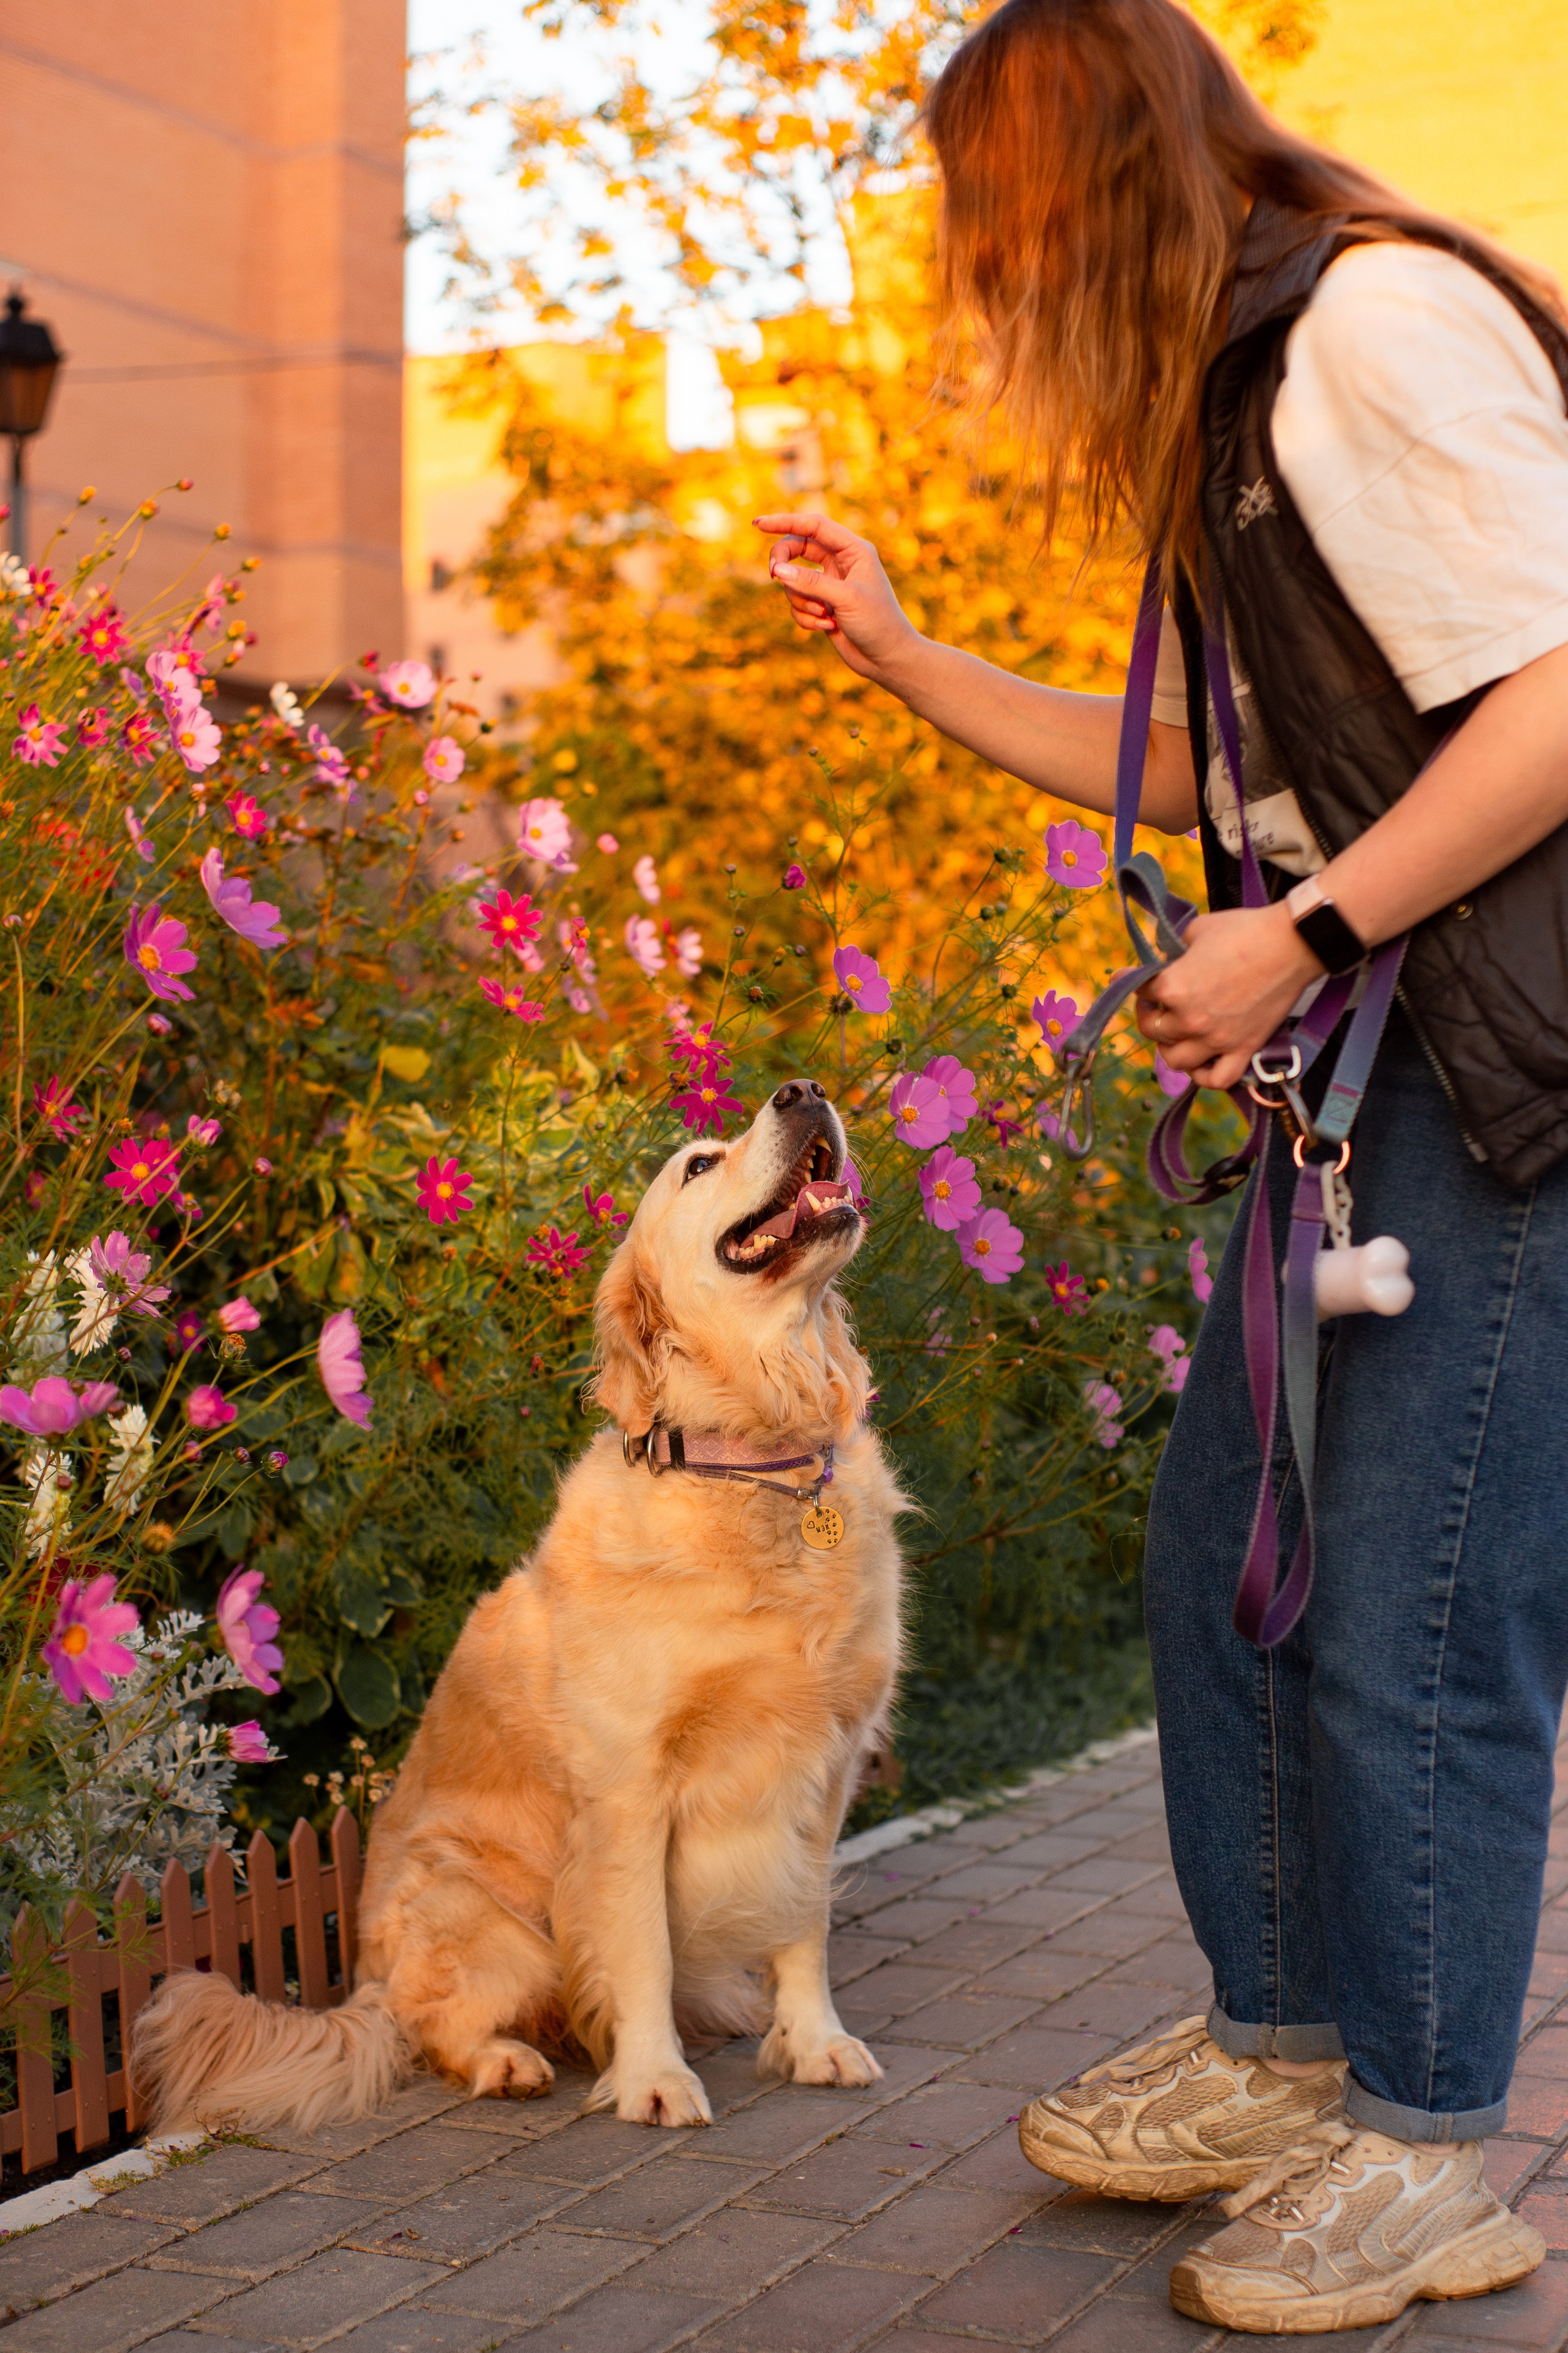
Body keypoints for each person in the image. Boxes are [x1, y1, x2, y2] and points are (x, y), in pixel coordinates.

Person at [758, 0, 1568, 2333]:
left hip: (1510, 1059)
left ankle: (1430, 2149)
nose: (984, 288)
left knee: (1417, 1604)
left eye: (993, 230)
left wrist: (1305, 933)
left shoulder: (1377, 326)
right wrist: (911, 659)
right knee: (1242, 1543)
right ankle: (1291, 2045)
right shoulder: (1246, 392)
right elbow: (1215, 788)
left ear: (1092, 184)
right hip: (1390, 1036)